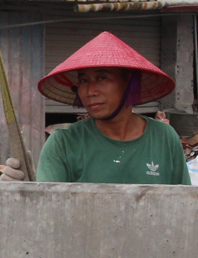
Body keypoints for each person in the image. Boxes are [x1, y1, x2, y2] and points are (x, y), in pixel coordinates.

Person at [35, 31, 190, 185]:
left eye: (102, 78)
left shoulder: (164, 138)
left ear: (129, 83)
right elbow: (47, 203)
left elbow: (184, 202)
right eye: (83, 80)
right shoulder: (63, 143)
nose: (90, 91)